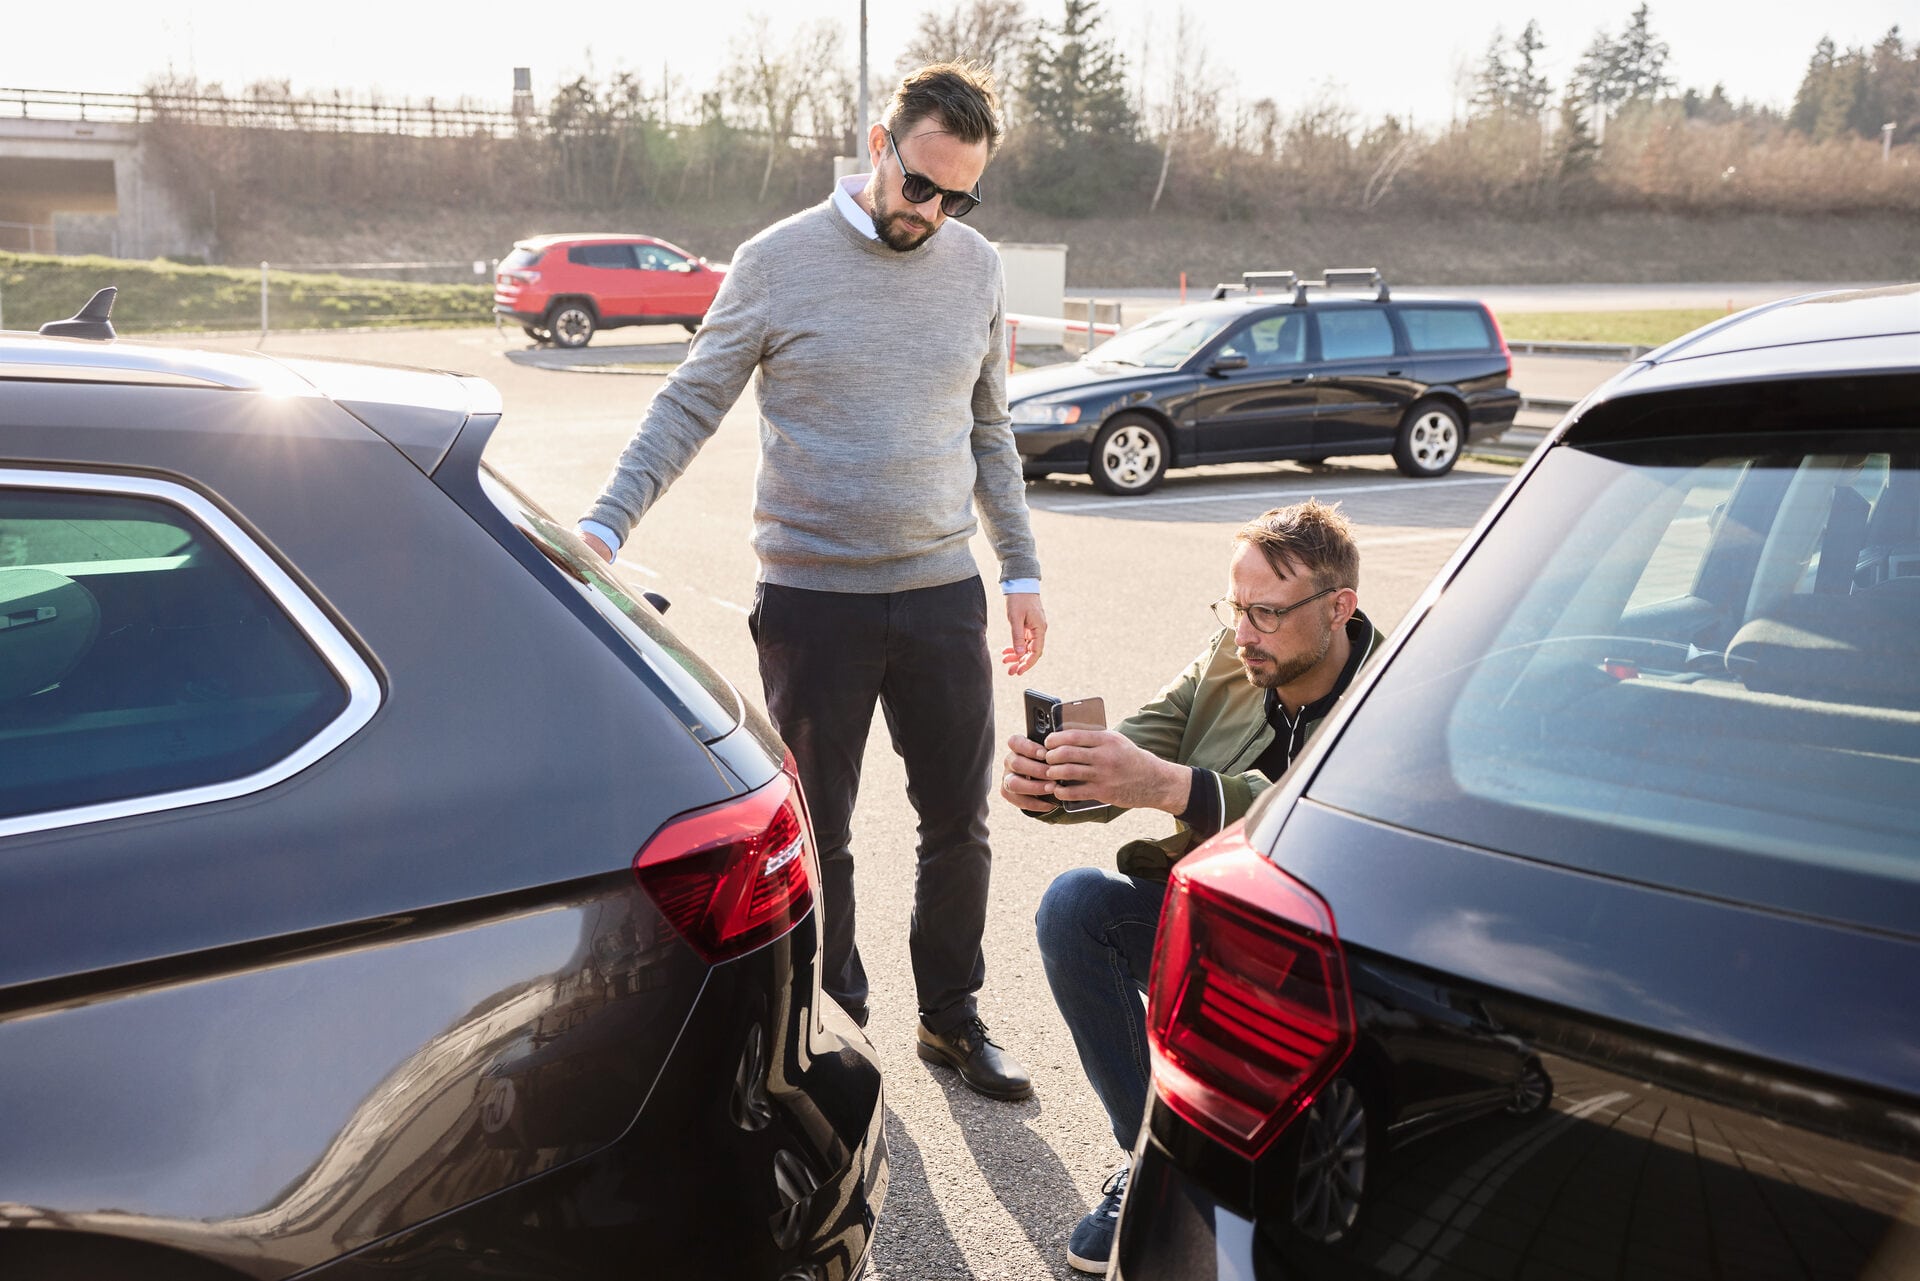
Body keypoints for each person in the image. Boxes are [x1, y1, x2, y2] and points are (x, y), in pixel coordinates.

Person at [577, 62, 1044, 1102]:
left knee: (958, 822)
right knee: (817, 830)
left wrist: (1019, 565)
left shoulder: (975, 266)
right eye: (921, 185)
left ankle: (952, 1017)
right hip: (811, 602)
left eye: (959, 196)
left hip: (938, 593)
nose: (934, 213)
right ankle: (836, 1023)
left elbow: (988, 428)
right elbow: (689, 400)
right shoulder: (777, 261)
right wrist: (607, 521)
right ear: (881, 143)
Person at [1000, 500, 1383, 1273]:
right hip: (1214, 926)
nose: (1244, 633)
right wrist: (1061, 780)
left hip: (1328, 969)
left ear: (1339, 607)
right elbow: (1142, 744)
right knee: (1076, 906)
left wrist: (1172, 786)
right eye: (1236, 607)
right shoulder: (1231, 655)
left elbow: (1313, 820)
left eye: (1267, 613)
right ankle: (1155, 1159)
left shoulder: (1389, 692)